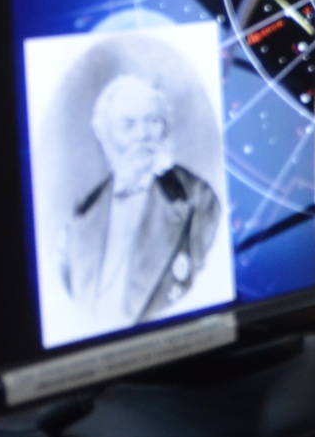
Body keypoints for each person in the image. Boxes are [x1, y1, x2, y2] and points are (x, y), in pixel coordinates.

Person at [62, 75, 220, 329]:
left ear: (166, 129)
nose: (143, 135)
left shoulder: (197, 198)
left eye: (153, 121)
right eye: (128, 125)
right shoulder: (84, 212)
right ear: (104, 135)